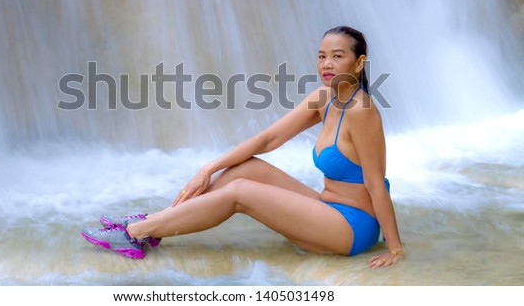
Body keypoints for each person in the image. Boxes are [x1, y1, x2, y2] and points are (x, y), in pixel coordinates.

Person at [81, 26, 404, 269]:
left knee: (240, 192)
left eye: (337, 56)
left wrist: (395, 248)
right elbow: (268, 140)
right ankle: (156, 224)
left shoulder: (362, 111)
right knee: (244, 168)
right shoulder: (323, 98)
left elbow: (376, 183)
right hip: (327, 206)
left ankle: (135, 232)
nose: (326, 64)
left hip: (353, 226)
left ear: (359, 63)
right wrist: (208, 168)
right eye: (321, 56)